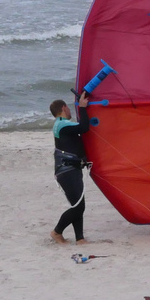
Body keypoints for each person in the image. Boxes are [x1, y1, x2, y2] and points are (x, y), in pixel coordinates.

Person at [49, 91, 92, 243]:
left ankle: (80, 239)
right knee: (78, 207)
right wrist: (82, 107)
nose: (69, 112)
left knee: (77, 205)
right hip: (67, 172)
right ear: (64, 108)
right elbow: (84, 127)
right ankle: (56, 232)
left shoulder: (60, 125)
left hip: (69, 170)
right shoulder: (62, 125)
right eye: (68, 109)